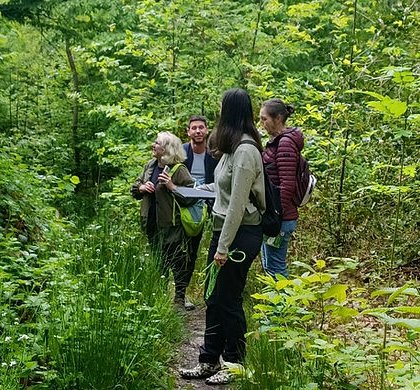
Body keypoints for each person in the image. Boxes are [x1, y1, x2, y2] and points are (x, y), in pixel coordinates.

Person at [180, 88, 265, 385]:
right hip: (223, 233)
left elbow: (238, 206)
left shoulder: (246, 151)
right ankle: (208, 360)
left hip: (241, 235)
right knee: (213, 298)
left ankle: (235, 362)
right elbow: (223, 192)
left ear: (229, 112)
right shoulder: (231, 149)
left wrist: (223, 247)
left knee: (228, 299)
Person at [131, 131, 196, 309]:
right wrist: (142, 187)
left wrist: (171, 186)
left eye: (157, 143)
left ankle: (179, 300)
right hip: (151, 223)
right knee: (159, 262)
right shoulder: (150, 165)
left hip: (171, 225)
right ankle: (159, 299)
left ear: (166, 149)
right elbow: (135, 188)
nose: (153, 145)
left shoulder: (178, 169)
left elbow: (192, 196)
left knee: (177, 262)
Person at [259, 98, 304, 278]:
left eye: (264, 119)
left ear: (278, 119)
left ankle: (282, 305)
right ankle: (274, 304)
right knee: (270, 264)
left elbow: (287, 184)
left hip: (281, 219)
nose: (262, 124)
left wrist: (275, 217)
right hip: (277, 216)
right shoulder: (277, 141)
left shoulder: (285, 143)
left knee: (275, 267)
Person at [181, 115, 218, 310]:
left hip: (211, 207)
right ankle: (182, 292)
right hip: (186, 208)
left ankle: (213, 292)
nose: (197, 131)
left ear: (206, 130)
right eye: (193, 128)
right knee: (187, 252)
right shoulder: (181, 153)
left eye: (201, 128)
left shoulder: (214, 154)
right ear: (188, 132)